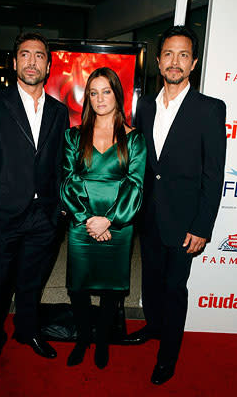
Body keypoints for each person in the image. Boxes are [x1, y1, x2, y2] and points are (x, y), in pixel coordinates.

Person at [128, 26, 226, 385]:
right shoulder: (145, 106)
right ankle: (153, 328)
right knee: (151, 283)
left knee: (174, 288)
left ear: (194, 63)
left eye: (183, 55)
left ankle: (168, 355)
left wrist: (202, 226)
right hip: (149, 216)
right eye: (168, 54)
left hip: (185, 222)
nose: (175, 61)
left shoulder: (210, 109)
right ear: (158, 61)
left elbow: (213, 175)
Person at [0, 32, 69, 382]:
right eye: (24, 55)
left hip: (44, 218)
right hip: (3, 216)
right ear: (14, 62)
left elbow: (59, 163)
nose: (31, 61)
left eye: (39, 56)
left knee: (31, 283)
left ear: (48, 64)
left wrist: (59, 209)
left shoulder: (59, 112)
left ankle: (27, 330)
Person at [61, 67, 146, 369]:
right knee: (78, 288)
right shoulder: (73, 136)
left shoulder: (134, 139)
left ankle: (102, 341)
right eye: (93, 93)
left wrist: (109, 220)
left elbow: (136, 185)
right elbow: (68, 181)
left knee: (111, 290)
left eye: (106, 91)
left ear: (117, 95)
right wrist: (88, 219)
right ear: (88, 98)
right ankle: (83, 337)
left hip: (118, 226)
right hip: (81, 224)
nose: (99, 98)